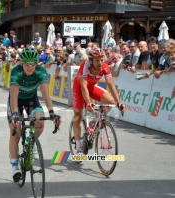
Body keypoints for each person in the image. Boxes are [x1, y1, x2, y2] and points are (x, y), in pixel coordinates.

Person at [7, 47, 61, 182]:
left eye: (33, 64)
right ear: (21, 63)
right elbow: (13, 94)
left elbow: (45, 93)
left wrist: (52, 113)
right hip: (16, 101)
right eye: (27, 64)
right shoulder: (16, 72)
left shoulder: (41, 71)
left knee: (39, 123)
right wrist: (14, 114)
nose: (30, 67)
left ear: (37, 63)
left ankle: (29, 143)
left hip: (31, 99)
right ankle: (15, 167)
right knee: (16, 131)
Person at [72, 48, 125, 154]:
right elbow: (83, 87)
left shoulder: (104, 67)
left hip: (91, 87)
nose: (100, 63)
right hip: (79, 89)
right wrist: (88, 102)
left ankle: (94, 121)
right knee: (78, 116)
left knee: (111, 101)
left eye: (102, 59)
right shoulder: (85, 67)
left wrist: (119, 102)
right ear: (91, 60)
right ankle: (79, 146)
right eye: (97, 60)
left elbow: (111, 84)